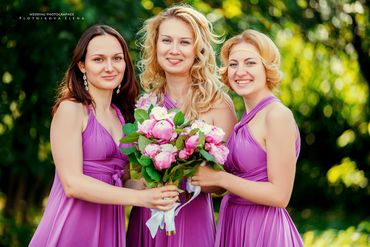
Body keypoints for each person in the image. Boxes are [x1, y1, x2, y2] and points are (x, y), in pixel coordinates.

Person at [29, 25, 178, 247]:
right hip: (72, 224)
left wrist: (153, 189)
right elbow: (73, 184)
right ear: (82, 65)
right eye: (99, 59)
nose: (110, 67)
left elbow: (124, 180)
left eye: (117, 58)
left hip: (110, 225)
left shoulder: (123, 117)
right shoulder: (71, 109)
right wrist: (140, 199)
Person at [126, 5, 237, 247]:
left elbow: (229, 181)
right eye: (166, 40)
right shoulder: (145, 104)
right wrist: (146, 185)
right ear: (155, 46)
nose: (174, 50)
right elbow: (129, 176)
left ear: (198, 49)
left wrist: (196, 175)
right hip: (147, 218)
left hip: (193, 219)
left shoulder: (218, 103)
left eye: (184, 42)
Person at [191, 29, 304, 246]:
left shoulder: (277, 115)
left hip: (263, 228)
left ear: (267, 67)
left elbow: (280, 195)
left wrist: (219, 178)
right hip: (234, 221)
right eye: (233, 64)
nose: (240, 71)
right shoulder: (246, 118)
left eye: (250, 63)